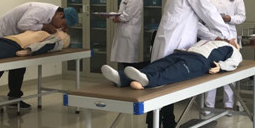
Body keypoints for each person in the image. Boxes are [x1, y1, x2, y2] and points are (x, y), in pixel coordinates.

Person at [144, 0, 229, 128]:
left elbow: (196, 25)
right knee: (159, 89)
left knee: (165, 89)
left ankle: (167, 126)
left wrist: (217, 37)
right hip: (172, 46)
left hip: (171, 44)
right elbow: (209, 13)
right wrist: (227, 35)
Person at [0, 3, 79, 113]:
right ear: (60, 14)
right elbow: (23, 24)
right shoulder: (41, 10)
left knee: (19, 68)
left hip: (15, 41)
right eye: (63, 24)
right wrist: (43, 27)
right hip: (0, 37)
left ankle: (14, 98)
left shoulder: (51, 16)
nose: (60, 28)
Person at [101, 39, 241, 90]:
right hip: (183, 53)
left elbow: (234, 62)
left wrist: (220, 67)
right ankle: (121, 78)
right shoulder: (211, 40)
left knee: (174, 72)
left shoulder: (233, 50)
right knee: (157, 65)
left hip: (200, 61)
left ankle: (149, 81)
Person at [198, 0, 246, 115]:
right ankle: (209, 106)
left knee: (229, 70)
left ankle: (228, 105)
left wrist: (229, 18)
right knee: (211, 69)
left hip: (229, 37)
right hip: (211, 36)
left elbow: (242, 17)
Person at [110, 0, 143, 70]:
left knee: (128, 62)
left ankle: (127, 77)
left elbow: (126, 16)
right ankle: (123, 76)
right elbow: (121, 13)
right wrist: (114, 16)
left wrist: (116, 18)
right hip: (123, 32)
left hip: (130, 33)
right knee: (123, 60)